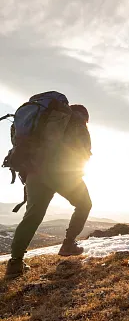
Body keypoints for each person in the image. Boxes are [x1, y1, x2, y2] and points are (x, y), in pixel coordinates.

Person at [5, 104, 92, 279]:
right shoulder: (76, 122)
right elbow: (83, 152)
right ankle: (68, 245)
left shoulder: (41, 122)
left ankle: (15, 263)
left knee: (32, 215)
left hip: (33, 173)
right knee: (84, 204)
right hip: (61, 172)